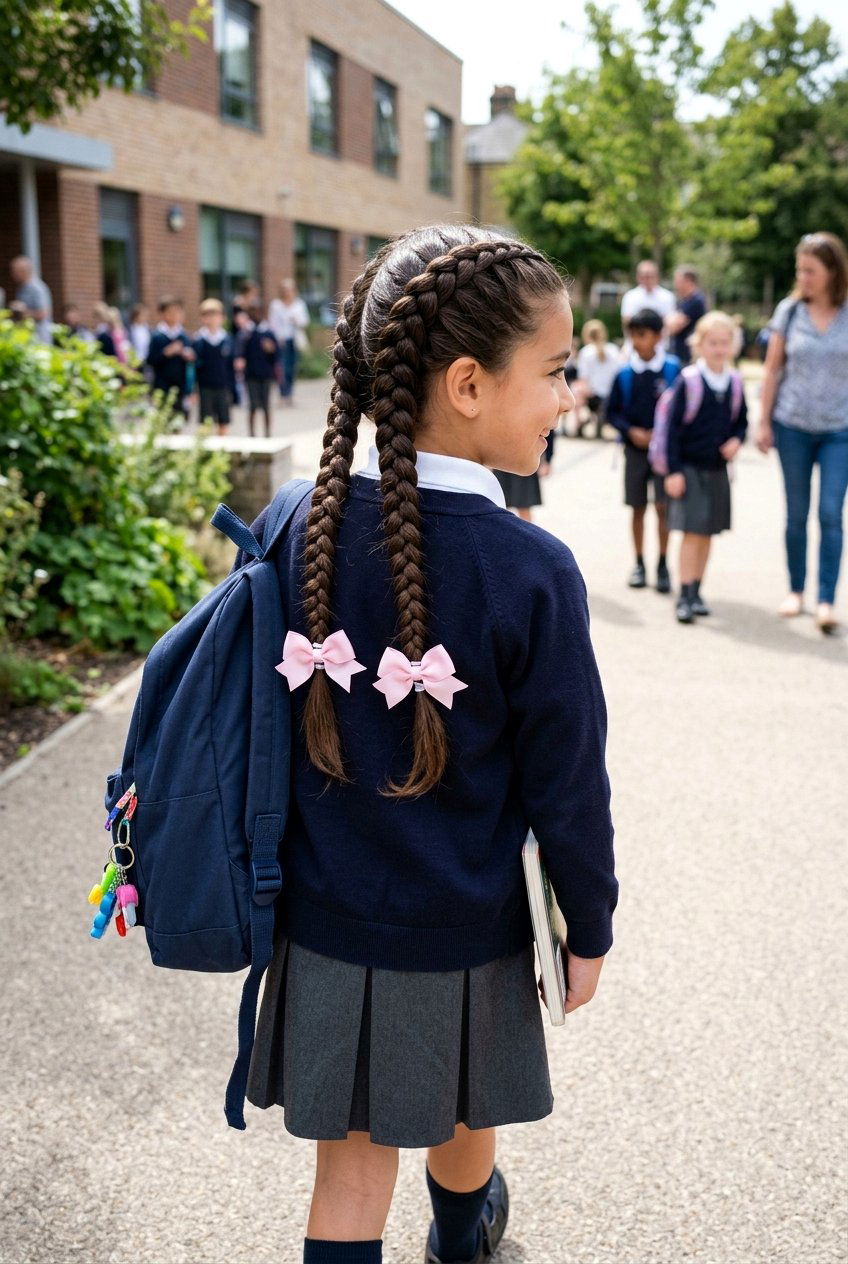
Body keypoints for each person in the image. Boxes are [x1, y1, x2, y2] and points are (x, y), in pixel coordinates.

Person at [230, 225, 617, 1264]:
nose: (567, 395)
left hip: (320, 914)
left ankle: (458, 1225)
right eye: (554, 370)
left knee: (349, 1167)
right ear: (465, 383)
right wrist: (588, 920)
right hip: (465, 919)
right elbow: (566, 780)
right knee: (458, 1093)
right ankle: (463, 1232)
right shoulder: (529, 569)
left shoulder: (293, 519)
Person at [757, 233, 848, 633]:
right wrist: (762, 420)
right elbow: (773, 369)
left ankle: (827, 600)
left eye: (811, 270)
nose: (804, 277)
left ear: (832, 271)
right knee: (796, 514)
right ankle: (796, 590)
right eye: (800, 270)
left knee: (830, 513)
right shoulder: (789, 311)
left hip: (839, 431)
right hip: (792, 425)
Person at [663, 311, 748, 624]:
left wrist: (737, 441)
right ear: (699, 344)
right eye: (712, 342)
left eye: (725, 343)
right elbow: (671, 430)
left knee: (708, 532)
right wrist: (672, 471)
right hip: (688, 468)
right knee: (691, 532)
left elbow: (741, 423)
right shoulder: (689, 381)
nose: (719, 348)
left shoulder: (735, 383)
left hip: (717, 470)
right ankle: (683, 594)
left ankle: (697, 590)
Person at [607, 308, 681, 593]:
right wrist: (631, 432)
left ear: (658, 336)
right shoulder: (625, 374)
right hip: (635, 451)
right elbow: (612, 413)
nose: (636, 341)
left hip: (665, 453)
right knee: (637, 507)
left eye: (642, 335)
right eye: (633, 335)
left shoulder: (673, 370)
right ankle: (639, 563)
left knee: (664, 507)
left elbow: (681, 411)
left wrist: (661, 436)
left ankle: (663, 564)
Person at [146, 296, 196, 420]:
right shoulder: (157, 336)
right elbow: (150, 360)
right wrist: (166, 353)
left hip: (180, 385)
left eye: (178, 312)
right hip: (162, 385)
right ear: (162, 314)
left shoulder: (183, 336)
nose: (175, 315)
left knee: (179, 419)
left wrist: (188, 356)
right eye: (171, 312)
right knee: (162, 420)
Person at [234, 303, 279, 437]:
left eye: (257, 311)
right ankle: (252, 434)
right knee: (253, 406)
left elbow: (276, 356)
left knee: (266, 406)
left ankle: (267, 434)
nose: (255, 315)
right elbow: (239, 351)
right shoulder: (246, 333)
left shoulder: (268, 332)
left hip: (266, 375)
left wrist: (271, 349)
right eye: (251, 312)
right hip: (251, 375)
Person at [193, 298, 236, 435]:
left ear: (222, 318)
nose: (212, 319)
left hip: (222, 386)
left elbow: (231, 367)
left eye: (215, 315)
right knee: (205, 422)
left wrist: (233, 388)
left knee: (223, 421)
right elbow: (193, 367)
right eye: (208, 315)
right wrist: (193, 390)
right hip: (205, 386)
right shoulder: (198, 340)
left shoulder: (227, 339)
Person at [268, 278, 310, 404]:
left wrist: (296, 320)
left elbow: (305, 322)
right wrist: (275, 338)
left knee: (292, 368)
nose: (287, 292)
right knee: (281, 368)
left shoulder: (299, 304)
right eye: (285, 290)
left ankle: (290, 394)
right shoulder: (276, 305)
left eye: (290, 290)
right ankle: (283, 394)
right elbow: (272, 323)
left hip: (294, 340)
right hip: (281, 341)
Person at [620, 260, 675, 352]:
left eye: (650, 276)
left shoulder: (667, 296)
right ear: (638, 277)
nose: (647, 279)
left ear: (657, 276)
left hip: (660, 347)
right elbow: (627, 322)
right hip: (635, 348)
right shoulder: (630, 296)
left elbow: (669, 322)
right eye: (644, 276)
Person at [576, 319, 619, 438]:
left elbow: (583, 378)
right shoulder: (613, 349)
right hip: (611, 396)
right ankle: (600, 417)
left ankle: (578, 425)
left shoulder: (586, 352)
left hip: (594, 397)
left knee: (576, 390)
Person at [665, 266, 707, 365]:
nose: (675, 284)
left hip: (687, 355)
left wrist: (668, 321)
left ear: (688, 281)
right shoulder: (684, 300)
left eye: (678, 281)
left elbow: (674, 327)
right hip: (678, 353)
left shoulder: (696, 301)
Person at [10, 255, 53, 343]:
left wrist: (22, 311)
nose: (12, 274)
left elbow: (43, 314)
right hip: (28, 337)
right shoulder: (21, 288)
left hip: (40, 339)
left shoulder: (36, 288)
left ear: (24, 271)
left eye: (15, 271)